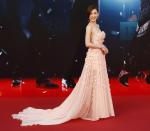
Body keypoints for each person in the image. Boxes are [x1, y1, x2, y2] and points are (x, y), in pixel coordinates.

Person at [12, 5, 115, 126]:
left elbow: (96, 41)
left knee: (99, 83)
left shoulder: (97, 26)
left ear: (98, 14)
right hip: (93, 57)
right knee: (91, 82)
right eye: (91, 13)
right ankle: (91, 109)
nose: (93, 15)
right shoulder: (89, 27)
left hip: (99, 57)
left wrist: (102, 48)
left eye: (95, 13)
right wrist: (101, 46)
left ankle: (99, 109)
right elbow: (87, 43)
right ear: (88, 15)